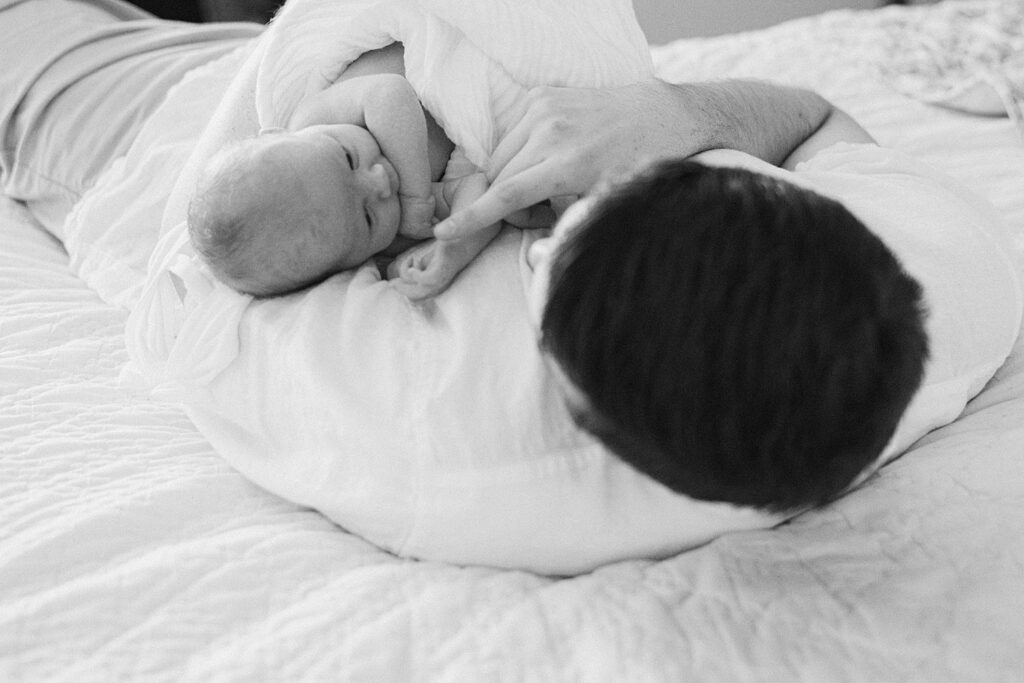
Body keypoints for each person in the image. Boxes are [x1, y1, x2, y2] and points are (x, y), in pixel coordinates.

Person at [0, 0, 938, 515]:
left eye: (549, 241)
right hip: (308, 66)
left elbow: (195, 296)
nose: (542, 215)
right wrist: (684, 115)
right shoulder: (927, 289)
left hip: (137, 135)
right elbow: (813, 114)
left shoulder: (428, 431)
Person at [187, 71, 496, 298]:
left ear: (277, 135)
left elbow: (389, 92)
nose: (380, 181)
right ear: (345, 266)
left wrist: (416, 197)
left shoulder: (312, 120)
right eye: (367, 217)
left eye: (348, 158)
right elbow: (478, 191)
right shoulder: (394, 233)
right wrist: (451, 248)